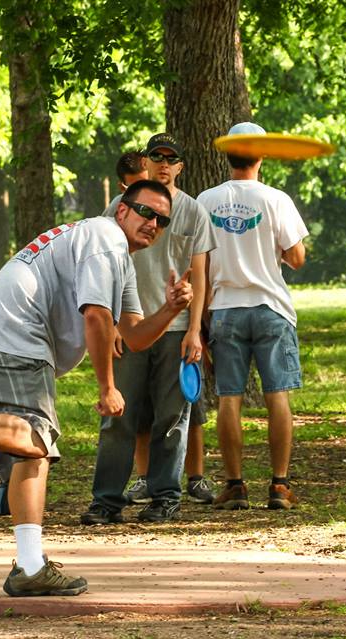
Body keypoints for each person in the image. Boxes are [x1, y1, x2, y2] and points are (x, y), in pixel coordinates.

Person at [0, 179, 193, 597]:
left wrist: (170, 309)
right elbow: (96, 317)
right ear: (122, 210)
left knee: (31, 452)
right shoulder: (106, 239)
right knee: (37, 437)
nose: (154, 223)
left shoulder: (118, 258)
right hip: (15, 333)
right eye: (146, 212)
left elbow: (132, 335)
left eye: (162, 220)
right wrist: (107, 386)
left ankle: (30, 567)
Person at [81, 133, 216, 525]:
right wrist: (114, 325)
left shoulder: (193, 212)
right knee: (118, 415)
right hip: (129, 326)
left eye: (170, 158)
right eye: (155, 156)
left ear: (179, 167)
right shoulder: (120, 207)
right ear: (146, 162)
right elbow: (103, 264)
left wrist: (195, 331)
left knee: (172, 418)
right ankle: (106, 501)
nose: (162, 163)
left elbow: (201, 276)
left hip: (175, 330)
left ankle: (165, 498)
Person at [197, 121, 308, 510]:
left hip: (225, 308)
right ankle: (279, 485)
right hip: (271, 308)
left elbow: (200, 264)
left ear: (227, 155)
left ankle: (235, 484)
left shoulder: (206, 201)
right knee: (277, 396)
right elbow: (296, 258)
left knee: (229, 399)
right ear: (261, 155)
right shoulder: (276, 200)